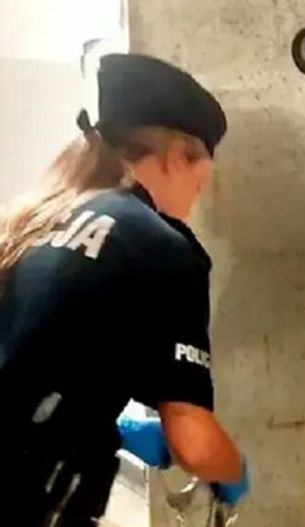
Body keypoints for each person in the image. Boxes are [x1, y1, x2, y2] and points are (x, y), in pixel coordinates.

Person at [0, 53, 250, 527]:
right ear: (177, 157)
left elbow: (31, 364)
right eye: (201, 181)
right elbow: (194, 441)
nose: (196, 198)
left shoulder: (40, 218)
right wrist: (233, 469)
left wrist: (111, 426)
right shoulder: (163, 247)